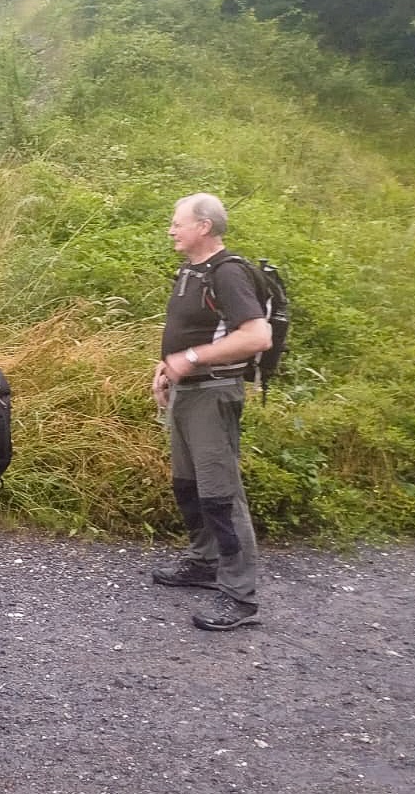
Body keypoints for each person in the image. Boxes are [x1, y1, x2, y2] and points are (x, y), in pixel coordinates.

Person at [150, 192, 272, 631]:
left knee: (221, 494)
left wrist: (191, 359)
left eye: (177, 222)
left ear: (203, 226)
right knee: (189, 486)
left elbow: (257, 336)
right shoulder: (192, 270)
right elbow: (192, 331)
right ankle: (205, 562)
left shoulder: (228, 273)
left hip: (214, 394)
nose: (171, 229)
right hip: (188, 392)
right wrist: (166, 369)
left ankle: (240, 596)